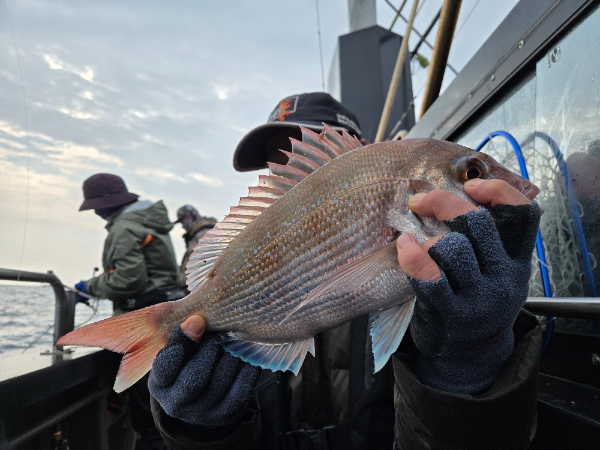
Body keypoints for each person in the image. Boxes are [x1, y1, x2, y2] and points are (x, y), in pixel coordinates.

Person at [147, 94, 542, 449]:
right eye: (278, 165)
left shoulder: (447, 292)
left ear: (362, 158)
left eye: (309, 152)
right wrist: (201, 436)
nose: (291, 175)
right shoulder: (245, 303)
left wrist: (468, 374)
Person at [75, 173, 184, 450]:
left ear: (104, 205)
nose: (96, 212)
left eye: (95, 206)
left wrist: (88, 287)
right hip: (168, 314)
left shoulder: (124, 227)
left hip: (145, 320)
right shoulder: (148, 220)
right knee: (166, 404)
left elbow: (128, 280)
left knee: (149, 415)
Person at [174, 205, 217, 294]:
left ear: (191, 216)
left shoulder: (203, 235)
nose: (183, 226)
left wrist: (178, 282)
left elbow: (196, 271)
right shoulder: (205, 232)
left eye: (183, 221)